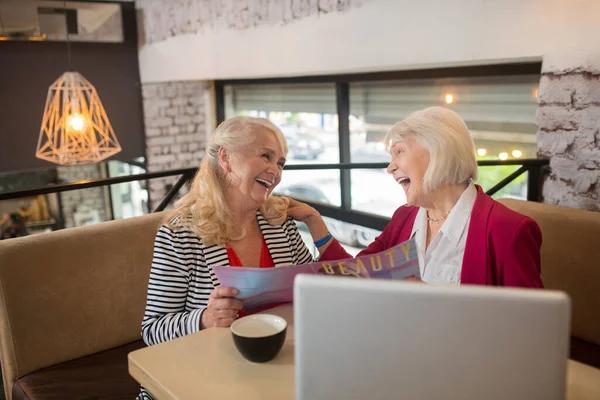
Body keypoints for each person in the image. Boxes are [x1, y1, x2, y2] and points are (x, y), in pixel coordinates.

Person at [138, 116, 314, 399]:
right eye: (265, 156)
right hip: (203, 379)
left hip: (272, 373)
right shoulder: (179, 233)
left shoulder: (281, 224)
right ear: (226, 158)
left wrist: (315, 223)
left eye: (280, 162)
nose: (276, 171)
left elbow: (311, 291)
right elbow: (153, 329)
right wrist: (205, 319)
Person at [288, 106, 543, 288]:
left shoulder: (508, 231)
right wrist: (314, 221)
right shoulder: (404, 218)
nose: (390, 167)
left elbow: (528, 331)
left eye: (399, 152)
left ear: (438, 150)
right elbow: (356, 277)